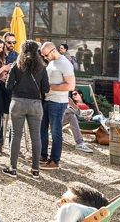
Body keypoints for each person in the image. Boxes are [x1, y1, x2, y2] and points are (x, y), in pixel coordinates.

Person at [1, 40, 49, 179]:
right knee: (36, 137)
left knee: (16, 135)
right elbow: (46, 88)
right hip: (35, 104)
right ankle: (35, 170)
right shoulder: (42, 67)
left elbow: (8, 86)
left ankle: (13, 168)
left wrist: (18, 86)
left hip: (17, 102)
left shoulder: (16, 66)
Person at [40, 41, 76, 169]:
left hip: (58, 102)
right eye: (43, 56)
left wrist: (49, 87)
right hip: (47, 100)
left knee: (56, 132)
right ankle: (42, 154)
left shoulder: (65, 64)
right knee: (42, 128)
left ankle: (54, 160)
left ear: (53, 50)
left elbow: (70, 86)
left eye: (46, 55)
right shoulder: (52, 62)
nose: (45, 58)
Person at [0, 32, 17, 155]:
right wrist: (0, 75)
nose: (12, 44)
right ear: (4, 42)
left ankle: (12, 145)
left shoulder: (18, 56)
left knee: (13, 117)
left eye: (14, 42)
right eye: (9, 42)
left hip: (12, 90)